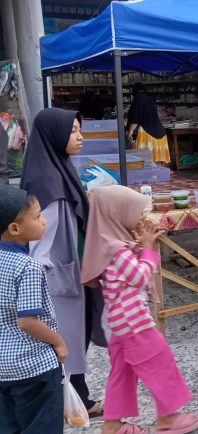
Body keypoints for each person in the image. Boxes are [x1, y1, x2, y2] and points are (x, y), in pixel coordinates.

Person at [79, 186, 198, 434]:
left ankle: (113, 425)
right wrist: (147, 249)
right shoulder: (115, 249)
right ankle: (168, 417)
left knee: (122, 374)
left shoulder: (110, 243)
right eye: (136, 213)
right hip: (134, 325)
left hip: (120, 325)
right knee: (160, 363)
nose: (142, 218)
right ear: (117, 215)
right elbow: (138, 276)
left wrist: (140, 245)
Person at [20, 108, 103, 417]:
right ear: (55, 136)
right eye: (73, 131)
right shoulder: (48, 183)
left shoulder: (57, 168)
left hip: (69, 274)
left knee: (73, 340)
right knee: (66, 342)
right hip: (57, 280)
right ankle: (71, 404)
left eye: (79, 130)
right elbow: (41, 246)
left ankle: (77, 400)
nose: (80, 137)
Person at [0, 185, 66, 434]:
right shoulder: (27, 266)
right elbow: (27, 321)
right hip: (34, 367)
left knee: (10, 427)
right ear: (15, 229)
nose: (43, 221)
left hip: (3, 367)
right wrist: (59, 342)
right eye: (37, 217)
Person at [126, 82, 169, 165]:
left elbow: (136, 117)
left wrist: (130, 131)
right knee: (157, 162)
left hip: (147, 134)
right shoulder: (150, 99)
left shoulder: (138, 99)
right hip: (160, 133)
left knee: (145, 160)